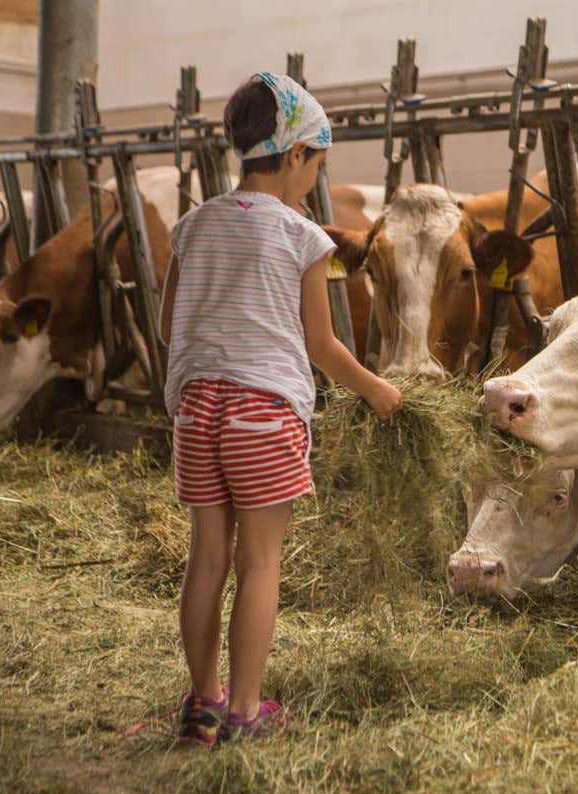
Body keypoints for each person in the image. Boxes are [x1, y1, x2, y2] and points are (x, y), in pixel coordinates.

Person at [158, 71, 401, 747]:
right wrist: (377, 389)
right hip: (262, 415)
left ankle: (203, 705)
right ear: (295, 154)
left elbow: (168, 327)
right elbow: (322, 347)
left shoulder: (192, 226)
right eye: (316, 163)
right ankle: (245, 709)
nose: (315, 178)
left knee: (206, 557)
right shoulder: (301, 237)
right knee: (260, 563)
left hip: (196, 411)